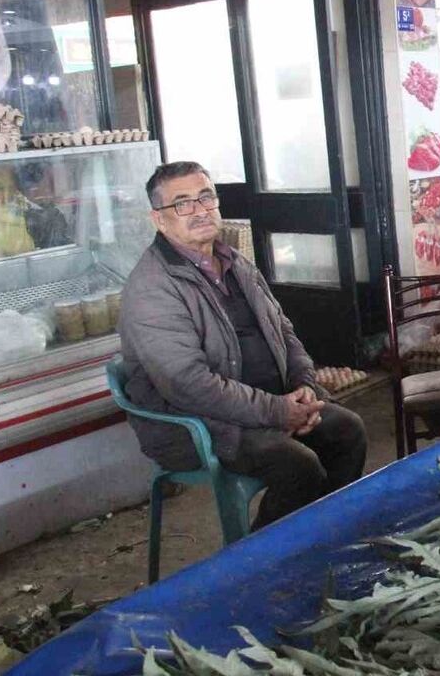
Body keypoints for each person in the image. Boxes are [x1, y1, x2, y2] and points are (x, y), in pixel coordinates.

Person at [118, 161, 367, 530]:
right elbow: (188, 385)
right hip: (201, 424)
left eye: (206, 197)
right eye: (182, 203)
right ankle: (262, 561)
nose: (200, 210)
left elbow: (283, 331)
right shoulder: (152, 288)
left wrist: (305, 388)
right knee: (298, 465)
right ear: (160, 219)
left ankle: (323, 535)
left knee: (347, 430)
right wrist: (278, 412)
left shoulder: (234, 262)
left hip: (266, 403)